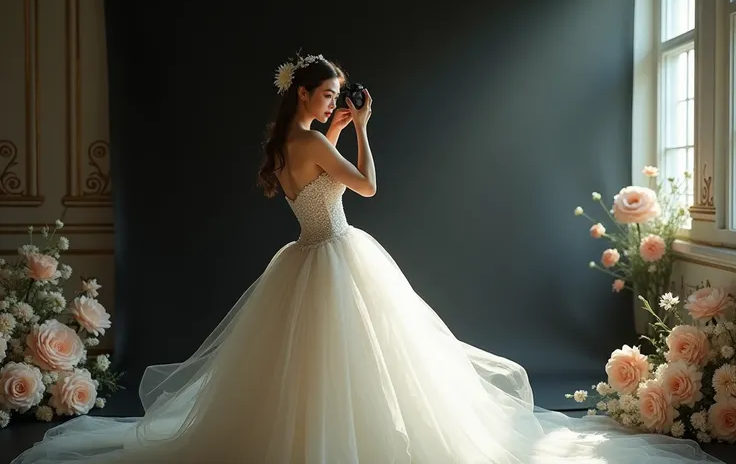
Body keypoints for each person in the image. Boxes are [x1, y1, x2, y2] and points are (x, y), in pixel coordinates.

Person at [11, 53, 724, 464]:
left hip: (302, 256)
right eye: (324, 96)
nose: (330, 104)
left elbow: (317, 176)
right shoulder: (319, 142)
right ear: (301, 92)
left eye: (333, 99)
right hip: (339, 254)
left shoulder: (289, 147)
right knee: (369, 360)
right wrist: (364, 130)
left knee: (308, 367)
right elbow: (369, 185)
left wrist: (337, 127)